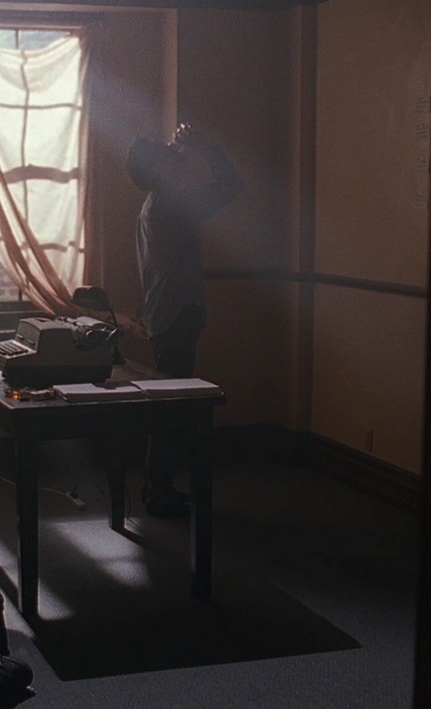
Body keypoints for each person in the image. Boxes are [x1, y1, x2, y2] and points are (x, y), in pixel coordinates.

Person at [125, 122, 243, 517]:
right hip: (176, 316)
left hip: (166, 314)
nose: (171, 151)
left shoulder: (157, 205)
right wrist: (206, 149)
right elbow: (231, 186)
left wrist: (183, 153)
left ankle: (157, 486)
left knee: (169, 406)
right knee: (173, 408)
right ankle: (159, 490)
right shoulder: (171, 206)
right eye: (164, 151)